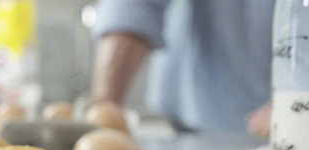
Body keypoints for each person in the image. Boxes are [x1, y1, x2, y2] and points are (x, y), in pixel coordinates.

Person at [91, 0, 275, 136]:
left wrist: (294, 102)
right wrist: (105, 109)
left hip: (292, 125)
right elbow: (134, 5)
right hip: (190, 116)